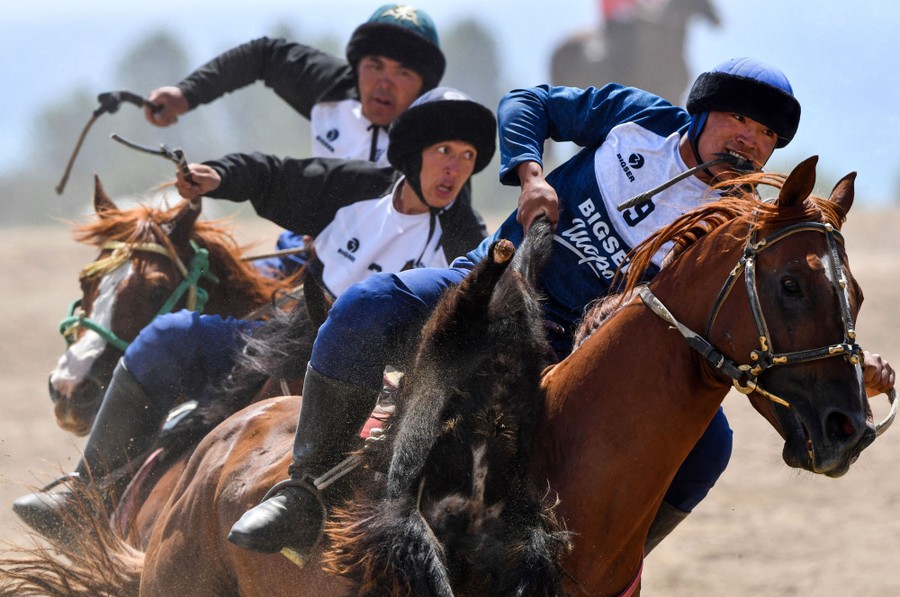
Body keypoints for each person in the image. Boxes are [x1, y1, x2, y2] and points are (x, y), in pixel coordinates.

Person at [226, 57, 894, 559]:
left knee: (711, 447)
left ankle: (606, 575)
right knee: (366, 305)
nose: (749, 141)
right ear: (702, 114)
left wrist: (844, 366)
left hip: (590, 356)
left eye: (766, 134)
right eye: (739, 120)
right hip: (488, 292)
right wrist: (531, 177)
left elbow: (769, 319)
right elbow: (529, 103)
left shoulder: (740, 223)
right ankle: (304, 490)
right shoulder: (638, 119)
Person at [13, 88, 497, 545]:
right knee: (168, 336)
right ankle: (85, 492)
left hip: (367, 375)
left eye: (467, 156)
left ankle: (305, 509)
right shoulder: (357, 186)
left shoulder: (465, 238)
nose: (454, 168)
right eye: (444, 151)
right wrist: (219, 176)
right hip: (289, 331)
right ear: (413, 153)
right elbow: (275, 173)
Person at [144, 3, 449, 276]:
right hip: (303, 246)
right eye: (375, 65)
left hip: (380, 273)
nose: (384, 83)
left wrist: (340, 240)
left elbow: (436, 236)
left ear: (423, 86)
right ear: (358, 66)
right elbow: (264, 56)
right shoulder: (332, 84)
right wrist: (187, 93)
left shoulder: (441, 145)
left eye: (403, 73)